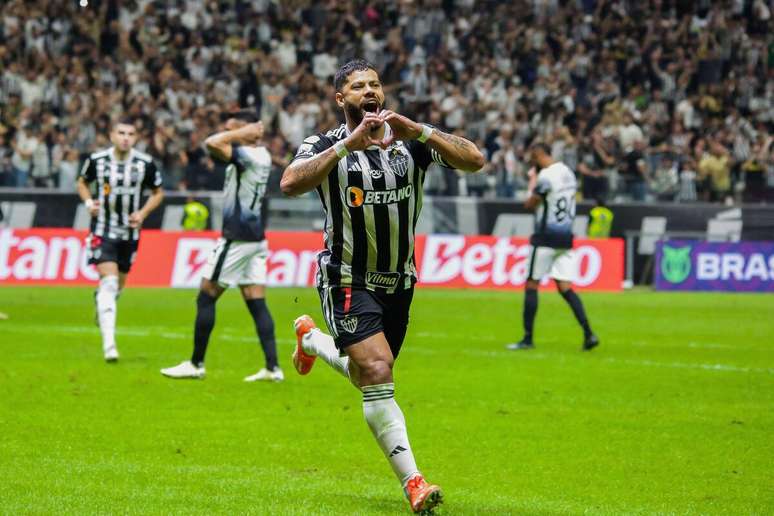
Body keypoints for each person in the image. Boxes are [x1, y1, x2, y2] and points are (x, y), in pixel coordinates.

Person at [280, 59, 484, 514]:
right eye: (357, 87)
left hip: (400, 281)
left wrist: (424, 132)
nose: (369, 91)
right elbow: (290, 183)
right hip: (346, 276)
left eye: (374, 84)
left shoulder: (410, 142)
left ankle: (311, 340)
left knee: (365, 374)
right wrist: (347, 146)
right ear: (341, 99)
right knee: (377, 370)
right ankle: (414, 482)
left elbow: (475, 159)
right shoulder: (323, 143)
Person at [161, 111, 282, 382]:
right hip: (255, 238)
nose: (226, 133)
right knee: (256, 300)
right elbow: (214, 150)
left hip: (237, 237)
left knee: (206, 295)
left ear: (245, 131)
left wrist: (240, 133)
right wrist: (243, 133)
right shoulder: (260, 156)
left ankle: (196, 364)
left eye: (232, 129)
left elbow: (212, 143)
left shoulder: (249, 155)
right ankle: (273, 368)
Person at [77, 117, 164, 362]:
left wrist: (143, 213)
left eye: (131, 133)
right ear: (112, 135)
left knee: (119, 287)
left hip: (130, 234)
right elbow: (82, 182)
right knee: (110, 283)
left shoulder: (145, 163)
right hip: (102, 231)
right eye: (121, 133)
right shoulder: (97, 160)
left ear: (136, 138)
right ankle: (109, 346)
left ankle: (101, 303)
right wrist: (88, 202)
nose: (126, 137)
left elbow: (158, 192)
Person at [506, 142, 599, 352]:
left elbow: (530, 204)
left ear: (539, 155)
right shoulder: (568, 172)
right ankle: (589, 333)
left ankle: (527, 338)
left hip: (545, 239)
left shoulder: (545, 177)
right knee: (565, 288)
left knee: (532, 285)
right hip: (566, 239)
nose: (533, 163)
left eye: (533, 158)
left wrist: (532, 179)